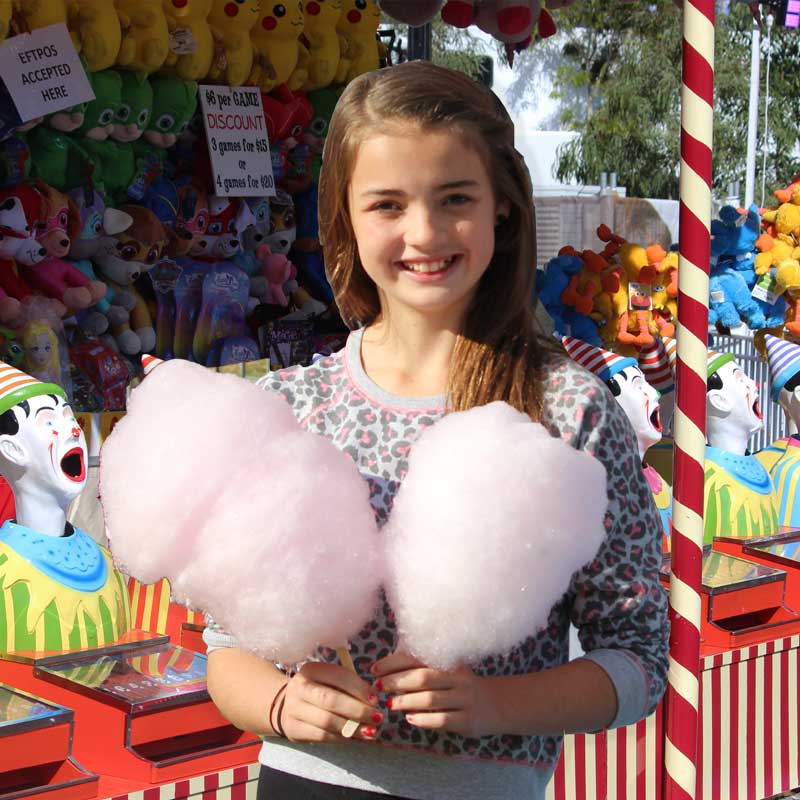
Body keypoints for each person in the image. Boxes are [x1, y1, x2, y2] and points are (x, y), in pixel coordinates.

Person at [204, 60, 668, 800]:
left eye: (455, 198)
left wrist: (494, 705)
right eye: (386, 204)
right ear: (345, 220)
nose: (423, 232)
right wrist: (281, 703)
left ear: (502, 210)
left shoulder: (569, 410)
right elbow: (226, 649)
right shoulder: (292, 406)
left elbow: (641, 661)